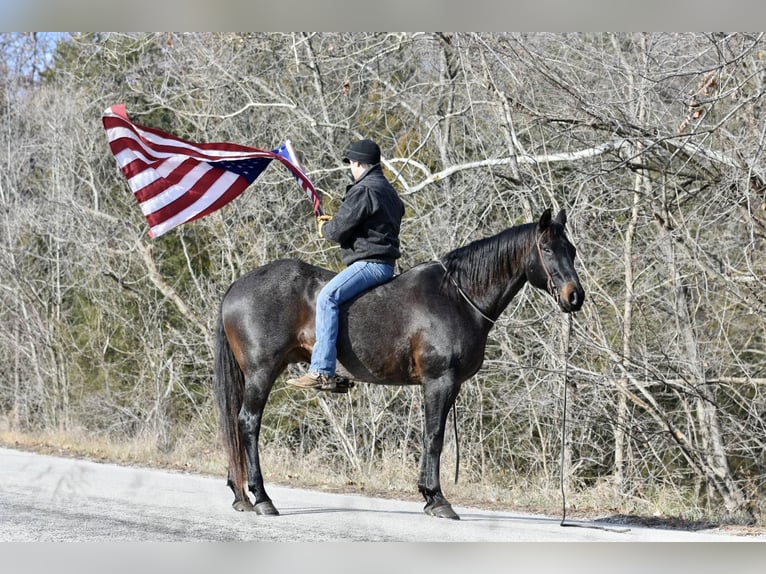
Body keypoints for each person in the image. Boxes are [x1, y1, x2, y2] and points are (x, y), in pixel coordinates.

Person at [286, 139, 405, 392]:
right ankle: (340, 374)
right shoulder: (388, 190)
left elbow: (337, 231)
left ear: (358, 163)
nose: (351, 168)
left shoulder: (364, 190)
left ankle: (321, 371)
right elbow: (367, 226)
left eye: (351, 163)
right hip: (385, 264)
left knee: (327, 298)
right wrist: (336, 223)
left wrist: (325, 227)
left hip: (371, 264)